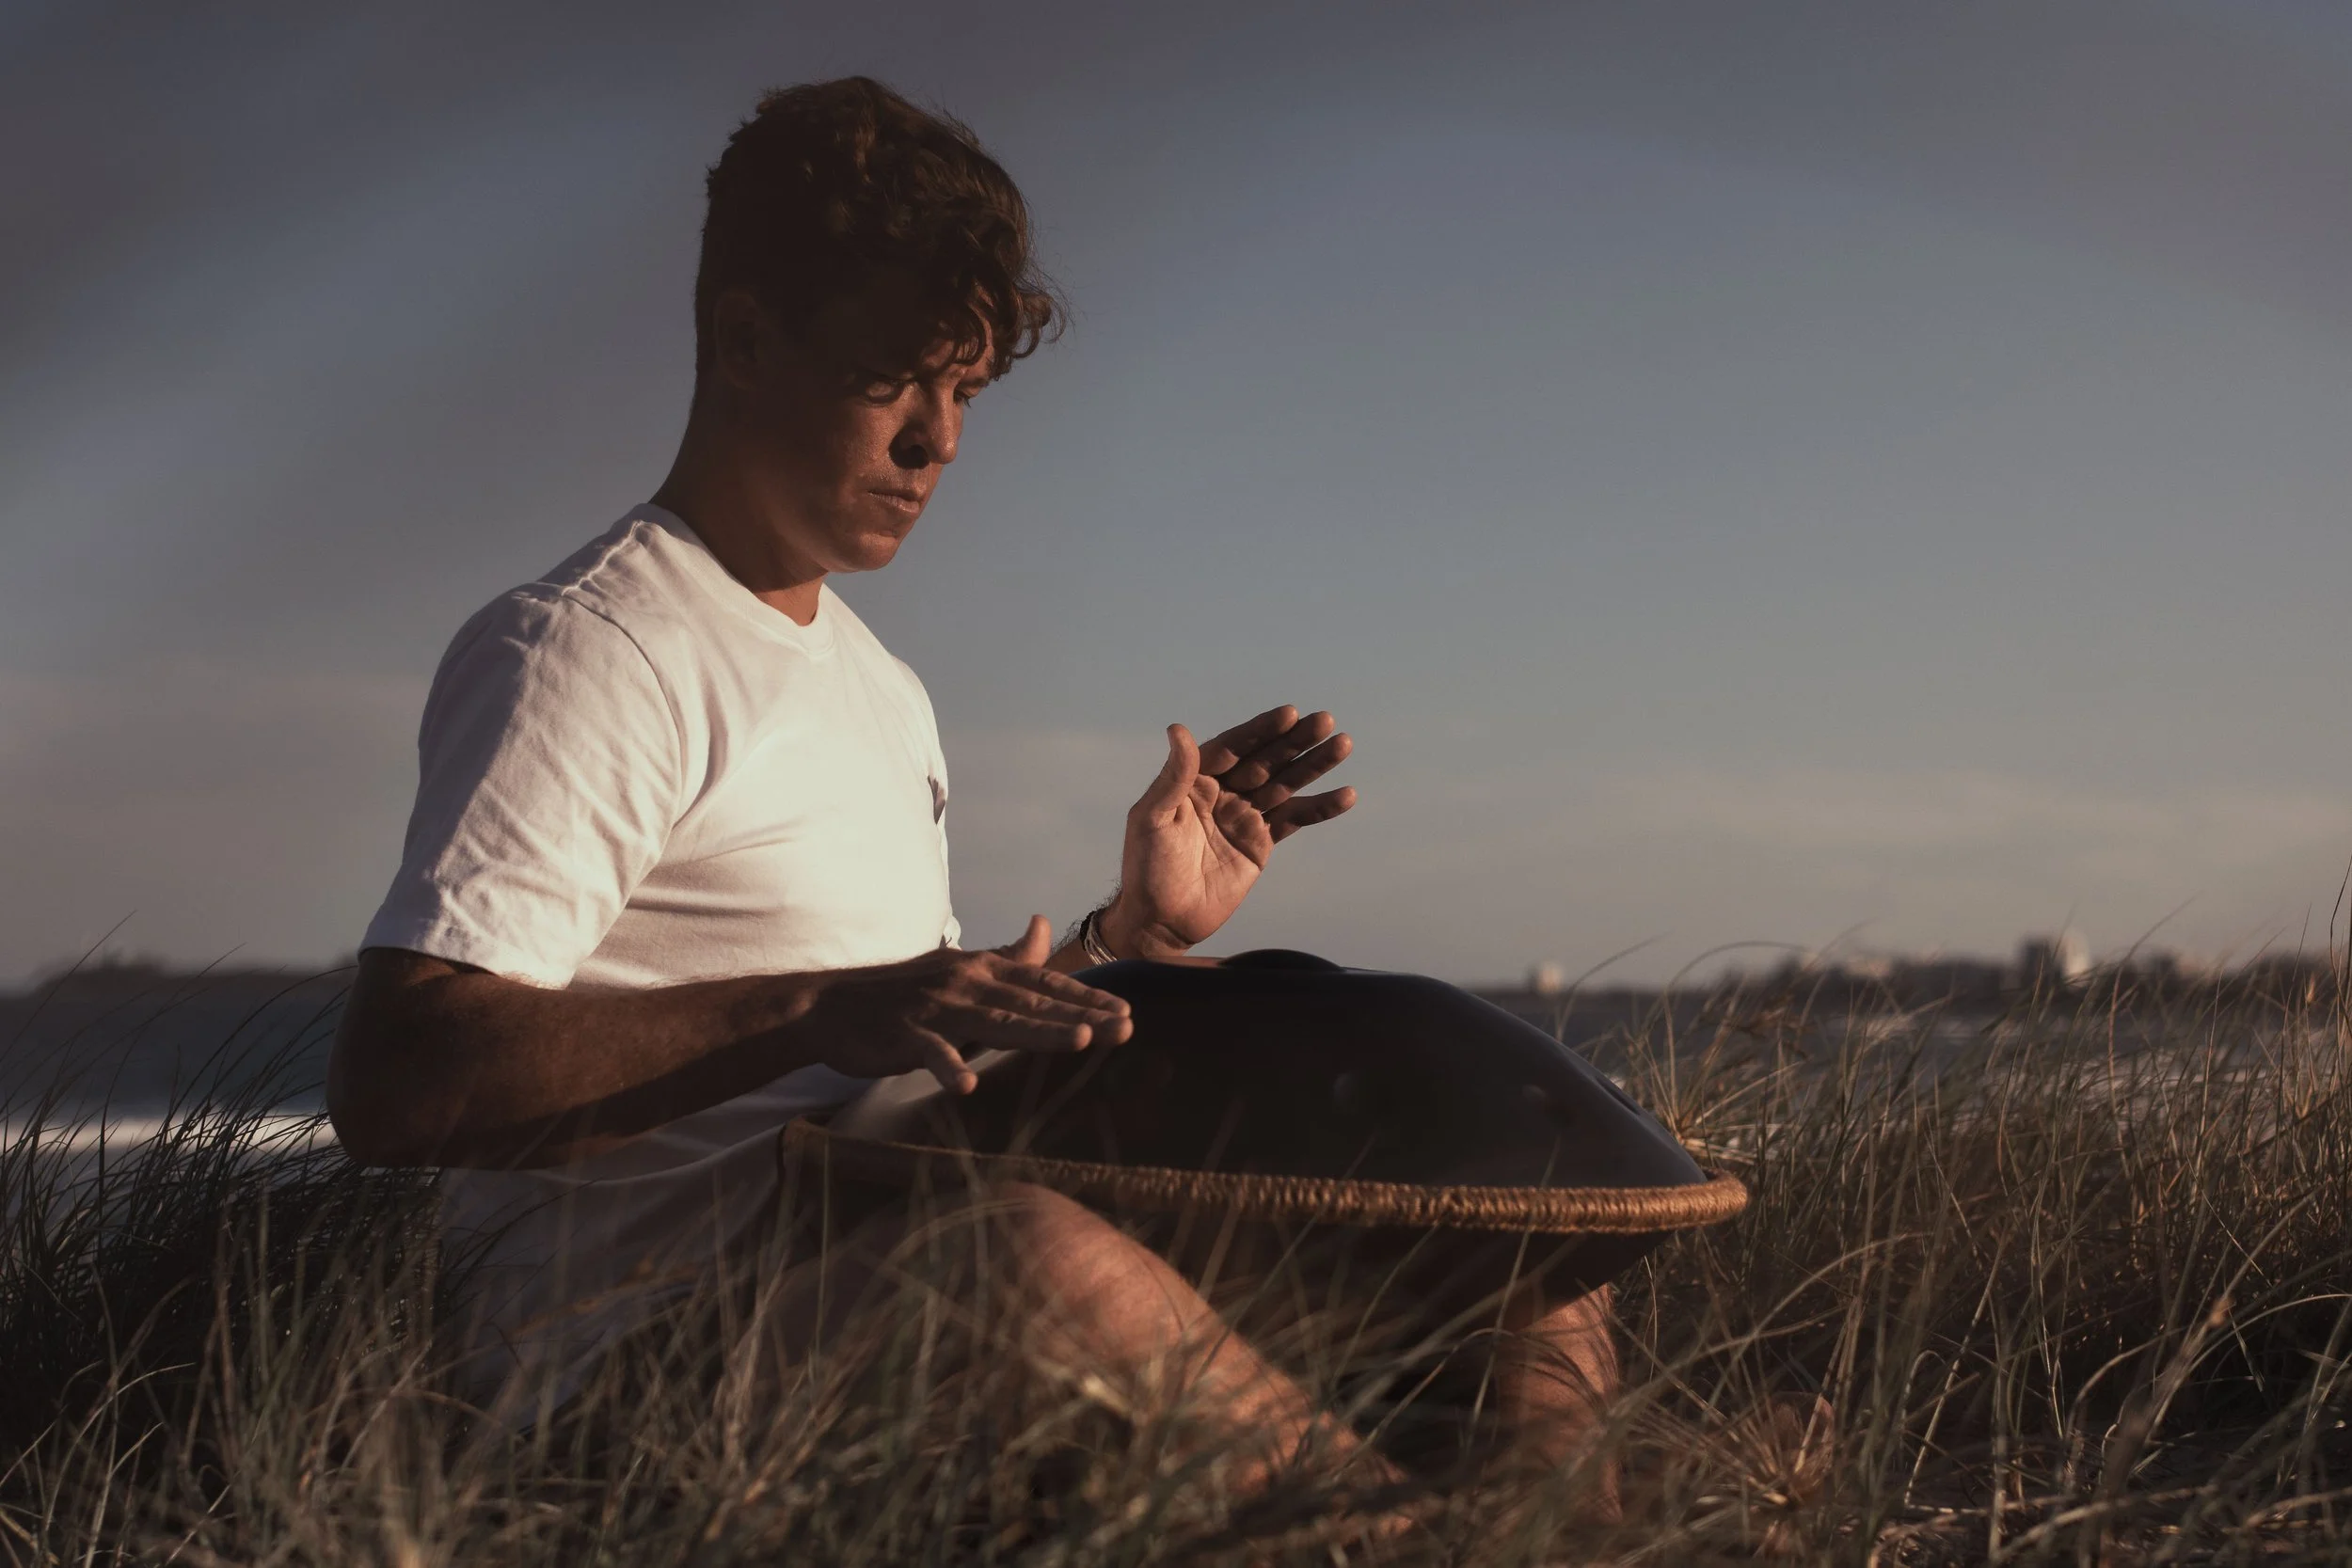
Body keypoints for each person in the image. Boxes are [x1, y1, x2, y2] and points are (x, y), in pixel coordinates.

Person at [327, 75, 1614, 1503]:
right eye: (896, 378)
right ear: (747, 340)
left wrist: (1130, 939)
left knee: (1510, 1223)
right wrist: (820, 1006)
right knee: (1029, 1258)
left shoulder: (879, 686)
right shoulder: (594, 647)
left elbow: (905, 1070)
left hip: (880, 1278)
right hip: (617, 1390)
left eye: (966, 389)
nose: (939, 440)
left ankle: (1551, 1534)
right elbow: (403, 1081)